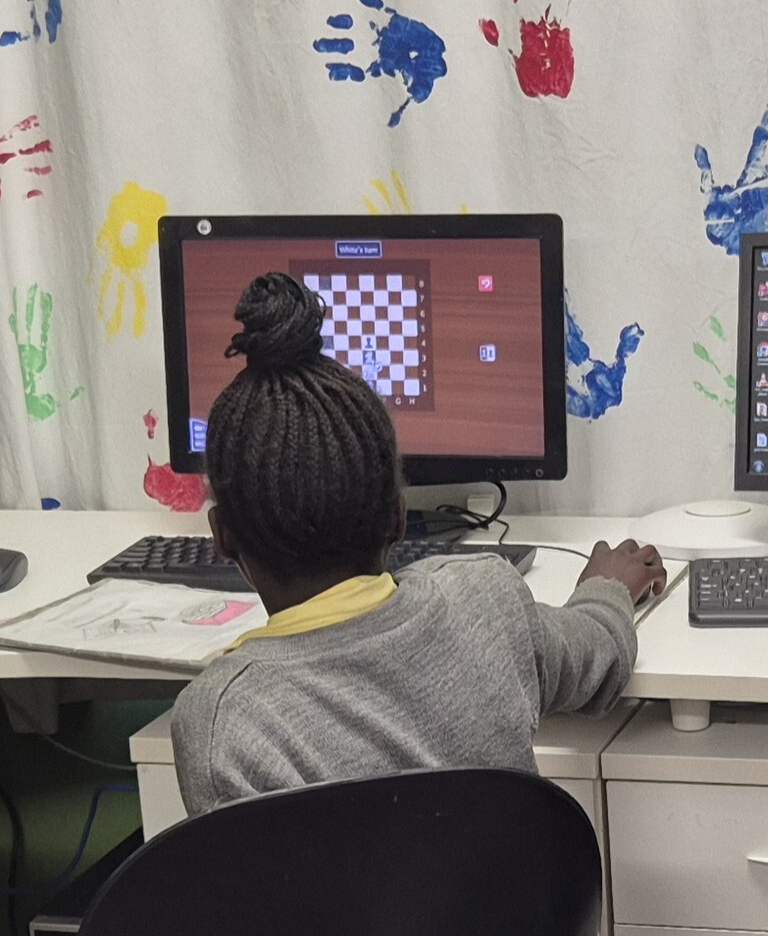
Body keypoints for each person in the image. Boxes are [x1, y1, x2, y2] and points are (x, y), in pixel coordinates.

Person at [170, 272, 667, 813]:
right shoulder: (484, 599)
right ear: (398, 514)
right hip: (515, 900)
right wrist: (608, 590)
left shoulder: (220, 722)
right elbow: (598, 660)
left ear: (222, 537)